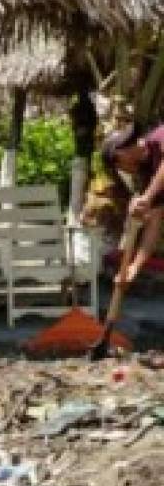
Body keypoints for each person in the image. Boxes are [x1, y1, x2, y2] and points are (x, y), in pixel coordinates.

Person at [92, 124, 164, 357]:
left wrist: (148, 196)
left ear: (121, 152)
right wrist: (133, 267)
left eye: (118, 165)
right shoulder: (149, 175)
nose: (125, 171)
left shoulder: (159, 137)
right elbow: (153, 224)